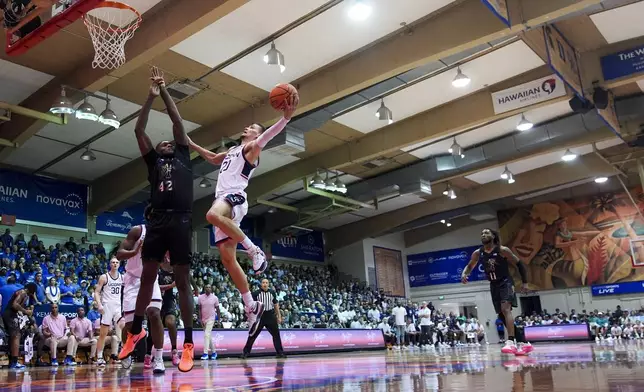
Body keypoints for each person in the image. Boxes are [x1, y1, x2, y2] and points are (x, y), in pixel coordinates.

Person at [188, 93, 297, 337]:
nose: (246, 128)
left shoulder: (251, 148)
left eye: (251, 128)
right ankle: (250, 304)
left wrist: (285, 119)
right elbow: (214, 158)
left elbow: (267, 137)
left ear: (255, 135)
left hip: (234, 196)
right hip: (223, 200)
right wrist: (192, 145)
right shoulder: (234, 150)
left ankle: (254, 249)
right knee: (227, 259)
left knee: (211, 215)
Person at [119, 67, 196, 372]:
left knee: (182, 281)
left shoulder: (183, 157)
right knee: (147, 277)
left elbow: (177, 121)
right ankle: (136, 330)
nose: (165, 143)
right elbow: (139, 131)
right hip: (158, 221)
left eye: (169, 143)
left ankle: (188, 344)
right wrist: (149, 98)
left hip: (181, 220)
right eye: (162, 143)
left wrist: (164, 89)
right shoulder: (154, 163)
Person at [461, 228, 532, 355]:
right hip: (493, 285)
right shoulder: (478, 253)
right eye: (482, 233)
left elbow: (520, 264)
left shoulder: (502, 250)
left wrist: (525, 282)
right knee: (501, 315)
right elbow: (470, 265)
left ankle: (510, 341)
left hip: (505, 282)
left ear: (493, 236)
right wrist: (464, 274)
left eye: (486, 233)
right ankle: (523, 341)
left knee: (506, 309)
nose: (483, 235)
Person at [117, 215, 166, 373]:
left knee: (154, 313)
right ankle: (128, 351)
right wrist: (136, 251)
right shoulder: (138, 231)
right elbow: (119, 254)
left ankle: (158, 358)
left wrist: (172, 263)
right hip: (132, 280)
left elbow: (167, 266)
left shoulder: (164, 236)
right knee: (130, 326)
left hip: (151, 278)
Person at [241, 278, 285, 359]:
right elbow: (249, 304)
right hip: (259, 316)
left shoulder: (272, 292)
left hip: (270, 315)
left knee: (276, 335)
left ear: (268, 284)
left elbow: (275, 304)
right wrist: (249, 315)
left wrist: (279, 316)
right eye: (263, 282)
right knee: (253, 334)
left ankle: (280, 352)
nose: (265, 284)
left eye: (266, 282)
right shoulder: (255, 293)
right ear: (261, 284)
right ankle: (245, 353)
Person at [94, 257, 123, 366]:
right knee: (103, 334)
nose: (115, 264)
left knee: (122, 329)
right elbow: (97, 292)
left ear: (119, 264)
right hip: (107, 307)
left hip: (118, 307)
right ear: (110, 264)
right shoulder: (104, 277)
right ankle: (100, 357)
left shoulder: (122, 277)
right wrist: (99, 304)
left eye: (117, 262)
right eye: (113, 262)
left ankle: (118, 354)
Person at [1, 282, 36, 370]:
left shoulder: (22, 293)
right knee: (16, 336)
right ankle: (14, 362)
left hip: (9, 314)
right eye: (33, 291)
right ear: (31, 289)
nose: (33, 294)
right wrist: (25, 311)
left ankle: (12, 361)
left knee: (12, 337)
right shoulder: (23, 292)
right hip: (10, 314)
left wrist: (22, 312)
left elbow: (16, 306)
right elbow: (15, 304)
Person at [198, 284, 220, 360]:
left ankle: (205, 353)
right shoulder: (200, 297)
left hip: (211, 318)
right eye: (207, 287)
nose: (208, 288)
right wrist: (200, 319)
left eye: (209, 287)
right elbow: (199, 309)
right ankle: (214, 352)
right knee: (208, 336)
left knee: (206, 334)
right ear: (204, 288)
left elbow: (217, 309)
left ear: (211, 289)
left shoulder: (215, 298)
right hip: (203, 319)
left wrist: (219, 319)